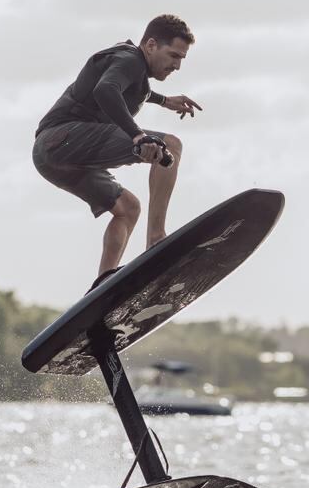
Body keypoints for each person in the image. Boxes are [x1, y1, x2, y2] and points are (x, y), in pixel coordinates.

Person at [33, 14, 201, 288]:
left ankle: (103, 287)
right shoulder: (130, 60)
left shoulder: (133, 70)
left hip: (51, 157)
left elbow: (128, 88)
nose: (177, 65)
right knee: (170, 145)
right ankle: (156, 238)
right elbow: (107, 90)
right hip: (63, 138)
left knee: (128, 208)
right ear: (150, 45)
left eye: (181, 59)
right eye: (173, 55)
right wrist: (138, 136)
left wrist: (163, 100)